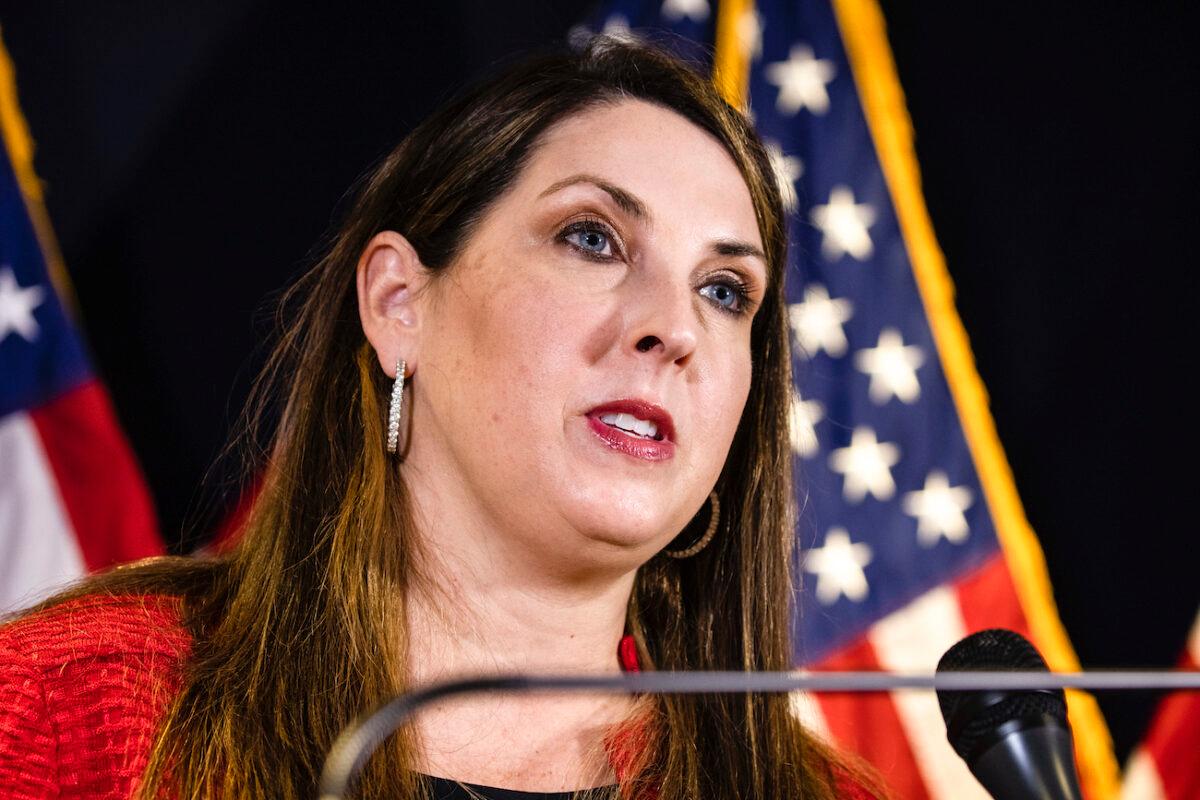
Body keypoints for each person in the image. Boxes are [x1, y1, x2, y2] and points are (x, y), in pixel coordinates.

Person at [0, 38, 880, 800]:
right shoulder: (67, 712)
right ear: (397, 302)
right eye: (593, 238)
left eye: (725, 292)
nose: (676, 328)